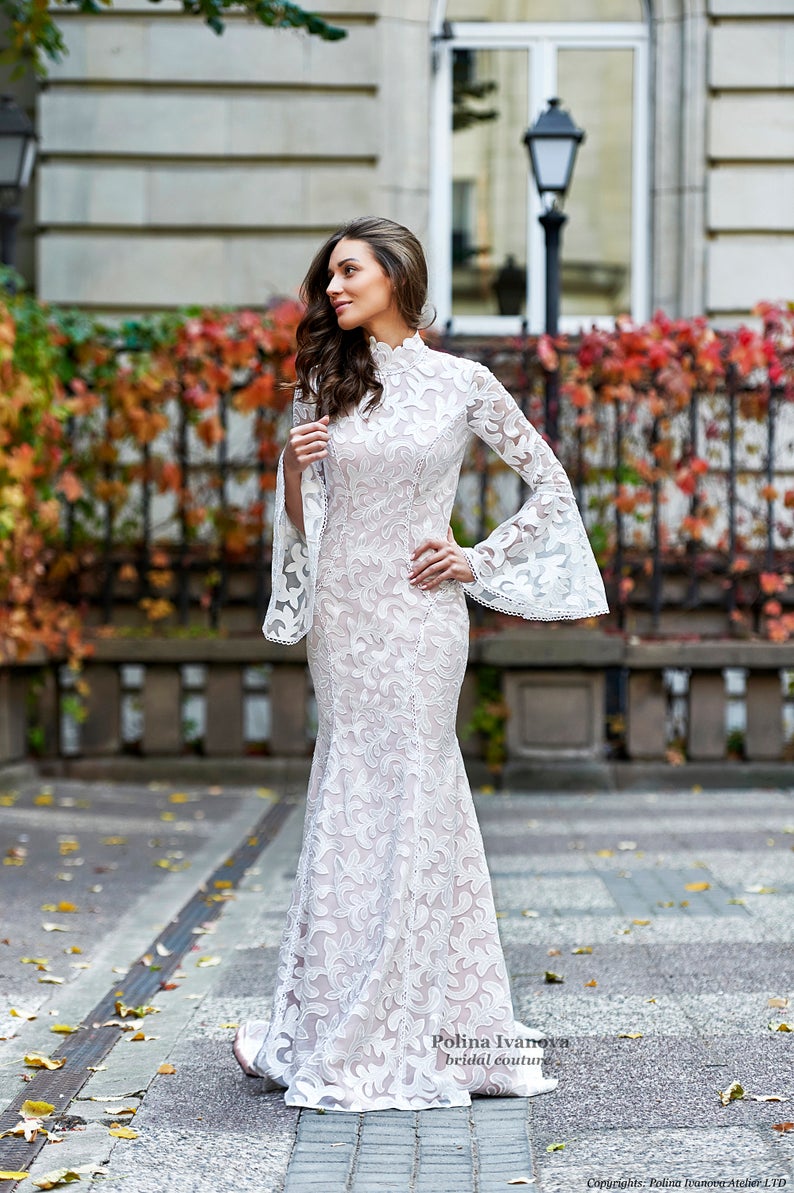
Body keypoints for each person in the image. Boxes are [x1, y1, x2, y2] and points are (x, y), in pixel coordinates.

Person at [232, 216, 608, 1112]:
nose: (332, 287)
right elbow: (304, 516)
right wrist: (291, 463)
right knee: (351, 790)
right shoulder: (327, 379)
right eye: (328, 275)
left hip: (421, 616)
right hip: (345, 616)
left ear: (395, 276)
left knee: (416, 786)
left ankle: (422, 1022)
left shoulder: (461, 383)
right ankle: (334, 1019)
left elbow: (551, 485)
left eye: (348, 271)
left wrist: (475, 557)